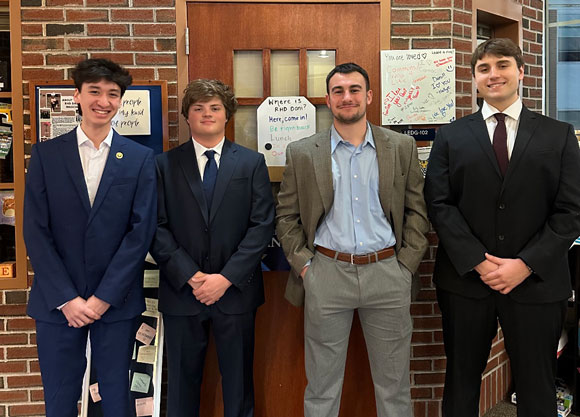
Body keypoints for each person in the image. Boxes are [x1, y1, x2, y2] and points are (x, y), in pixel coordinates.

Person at [425, 38, 580, 417]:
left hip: (537, 282)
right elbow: (439, 204)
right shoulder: (450, 136)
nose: (493, 74)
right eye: (483, 68)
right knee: (460, 382)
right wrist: (479, 261)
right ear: (474, 79)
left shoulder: (558, 135)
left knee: (536, 385)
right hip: (465, 282)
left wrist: (524, 264)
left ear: (521, 72)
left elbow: (571, 209)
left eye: (502, 65)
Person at [276, 62, 429, 417]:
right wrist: (305, 267)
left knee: (394, 386)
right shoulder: (303, 152)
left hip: (388, 272)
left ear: (369, 96)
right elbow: (286, 215)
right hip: (326, 274)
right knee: (321, 386)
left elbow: (417, 211)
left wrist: (405, 266)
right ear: (328, 100)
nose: (347, 97)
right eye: (339, 91)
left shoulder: (401, 147)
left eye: (355, 89)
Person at [24, 58, 157, 417]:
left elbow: (139, 233)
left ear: (121, 101)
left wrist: (102, 299)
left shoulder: (140, 159)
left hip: (116, 302)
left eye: (113, 94)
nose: (104, 101)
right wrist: (67, 298)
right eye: (94, 91)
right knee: (60, 399)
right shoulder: (46, 155)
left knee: (116, 399)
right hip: (57, 304)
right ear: (77, 96)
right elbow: (35, 230)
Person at [150, 79, 275, 417]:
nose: (207, 114)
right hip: (181, 294)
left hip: (235, 294)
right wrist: (191, 276)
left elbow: (262, 225)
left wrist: (225, 278)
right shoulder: (163, 166)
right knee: (180, 387)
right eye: (198, 108)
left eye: (214, 108)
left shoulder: (251, 164)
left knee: (238, 385)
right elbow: (155, 227)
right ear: (187, 117)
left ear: (227, 115)